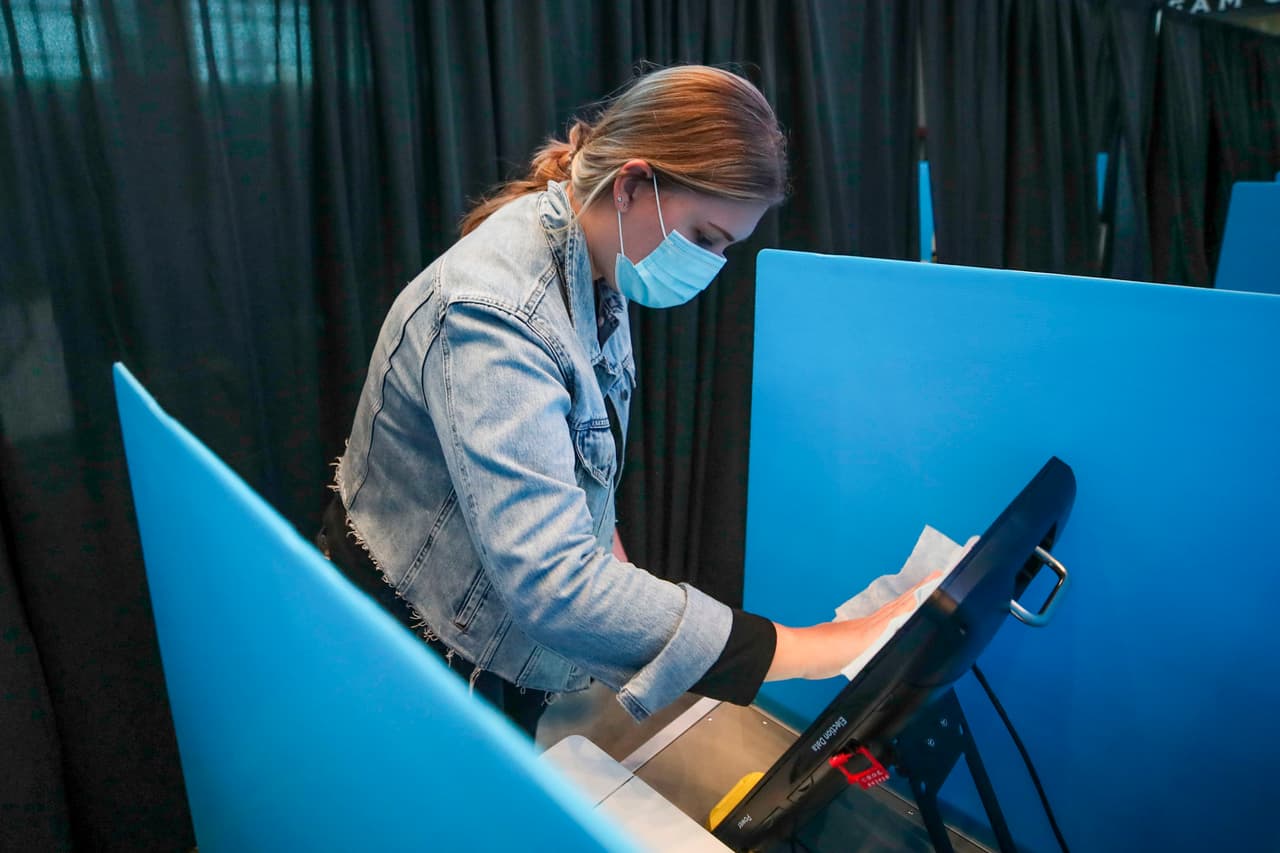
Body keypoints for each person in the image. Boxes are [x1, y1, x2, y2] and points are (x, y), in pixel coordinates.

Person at [317, 65, 927, 738]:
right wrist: (817, 648)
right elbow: (558, 586)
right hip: (410, 641)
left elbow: (576, 468)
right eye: (703, 238)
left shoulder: (595, 256)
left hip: (483, 626)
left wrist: (621, 588)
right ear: (634, 184)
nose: (709, 266)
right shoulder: (495, 314)